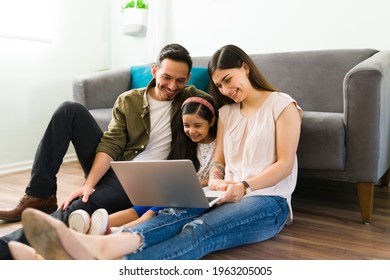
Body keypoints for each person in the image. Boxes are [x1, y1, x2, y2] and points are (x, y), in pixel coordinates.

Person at [8, 44, 302, 260]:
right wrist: (215, 180)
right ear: (154, 71)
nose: (224, 90)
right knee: (166, 216)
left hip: (265, 197)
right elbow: (220, 162)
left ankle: (97, 258)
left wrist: (242, 185)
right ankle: (71, 234)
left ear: (246, 69)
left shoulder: (279, 105)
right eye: (218, 85)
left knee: (195, 228)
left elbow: (284, 164)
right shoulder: (226, 112)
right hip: (200, 188)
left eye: (228, 80)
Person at [0, 43, 211, 260]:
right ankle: (39, 195)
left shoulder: (193, 100)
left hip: (144, 184)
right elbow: (111, 143)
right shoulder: (129, 100)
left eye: (180, 80)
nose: (172, 86)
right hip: (117, 167)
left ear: (188, 80)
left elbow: (225, 110)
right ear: (155, 71)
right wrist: (88, 185)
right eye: (167, 77)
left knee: (78, 207)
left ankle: (6, 246)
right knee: (69, 110)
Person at [67, 95, 218, 235]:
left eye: (197, 125)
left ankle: (115, 232)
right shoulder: (185, 143)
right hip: (175, 189)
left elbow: (216, 177)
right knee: (136, 209)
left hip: (200, 193)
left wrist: (192, 184)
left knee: (150, 213)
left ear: (211, 122)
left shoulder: (218, 147)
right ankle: (90, 225)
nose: (191, 131)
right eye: (187, 125)